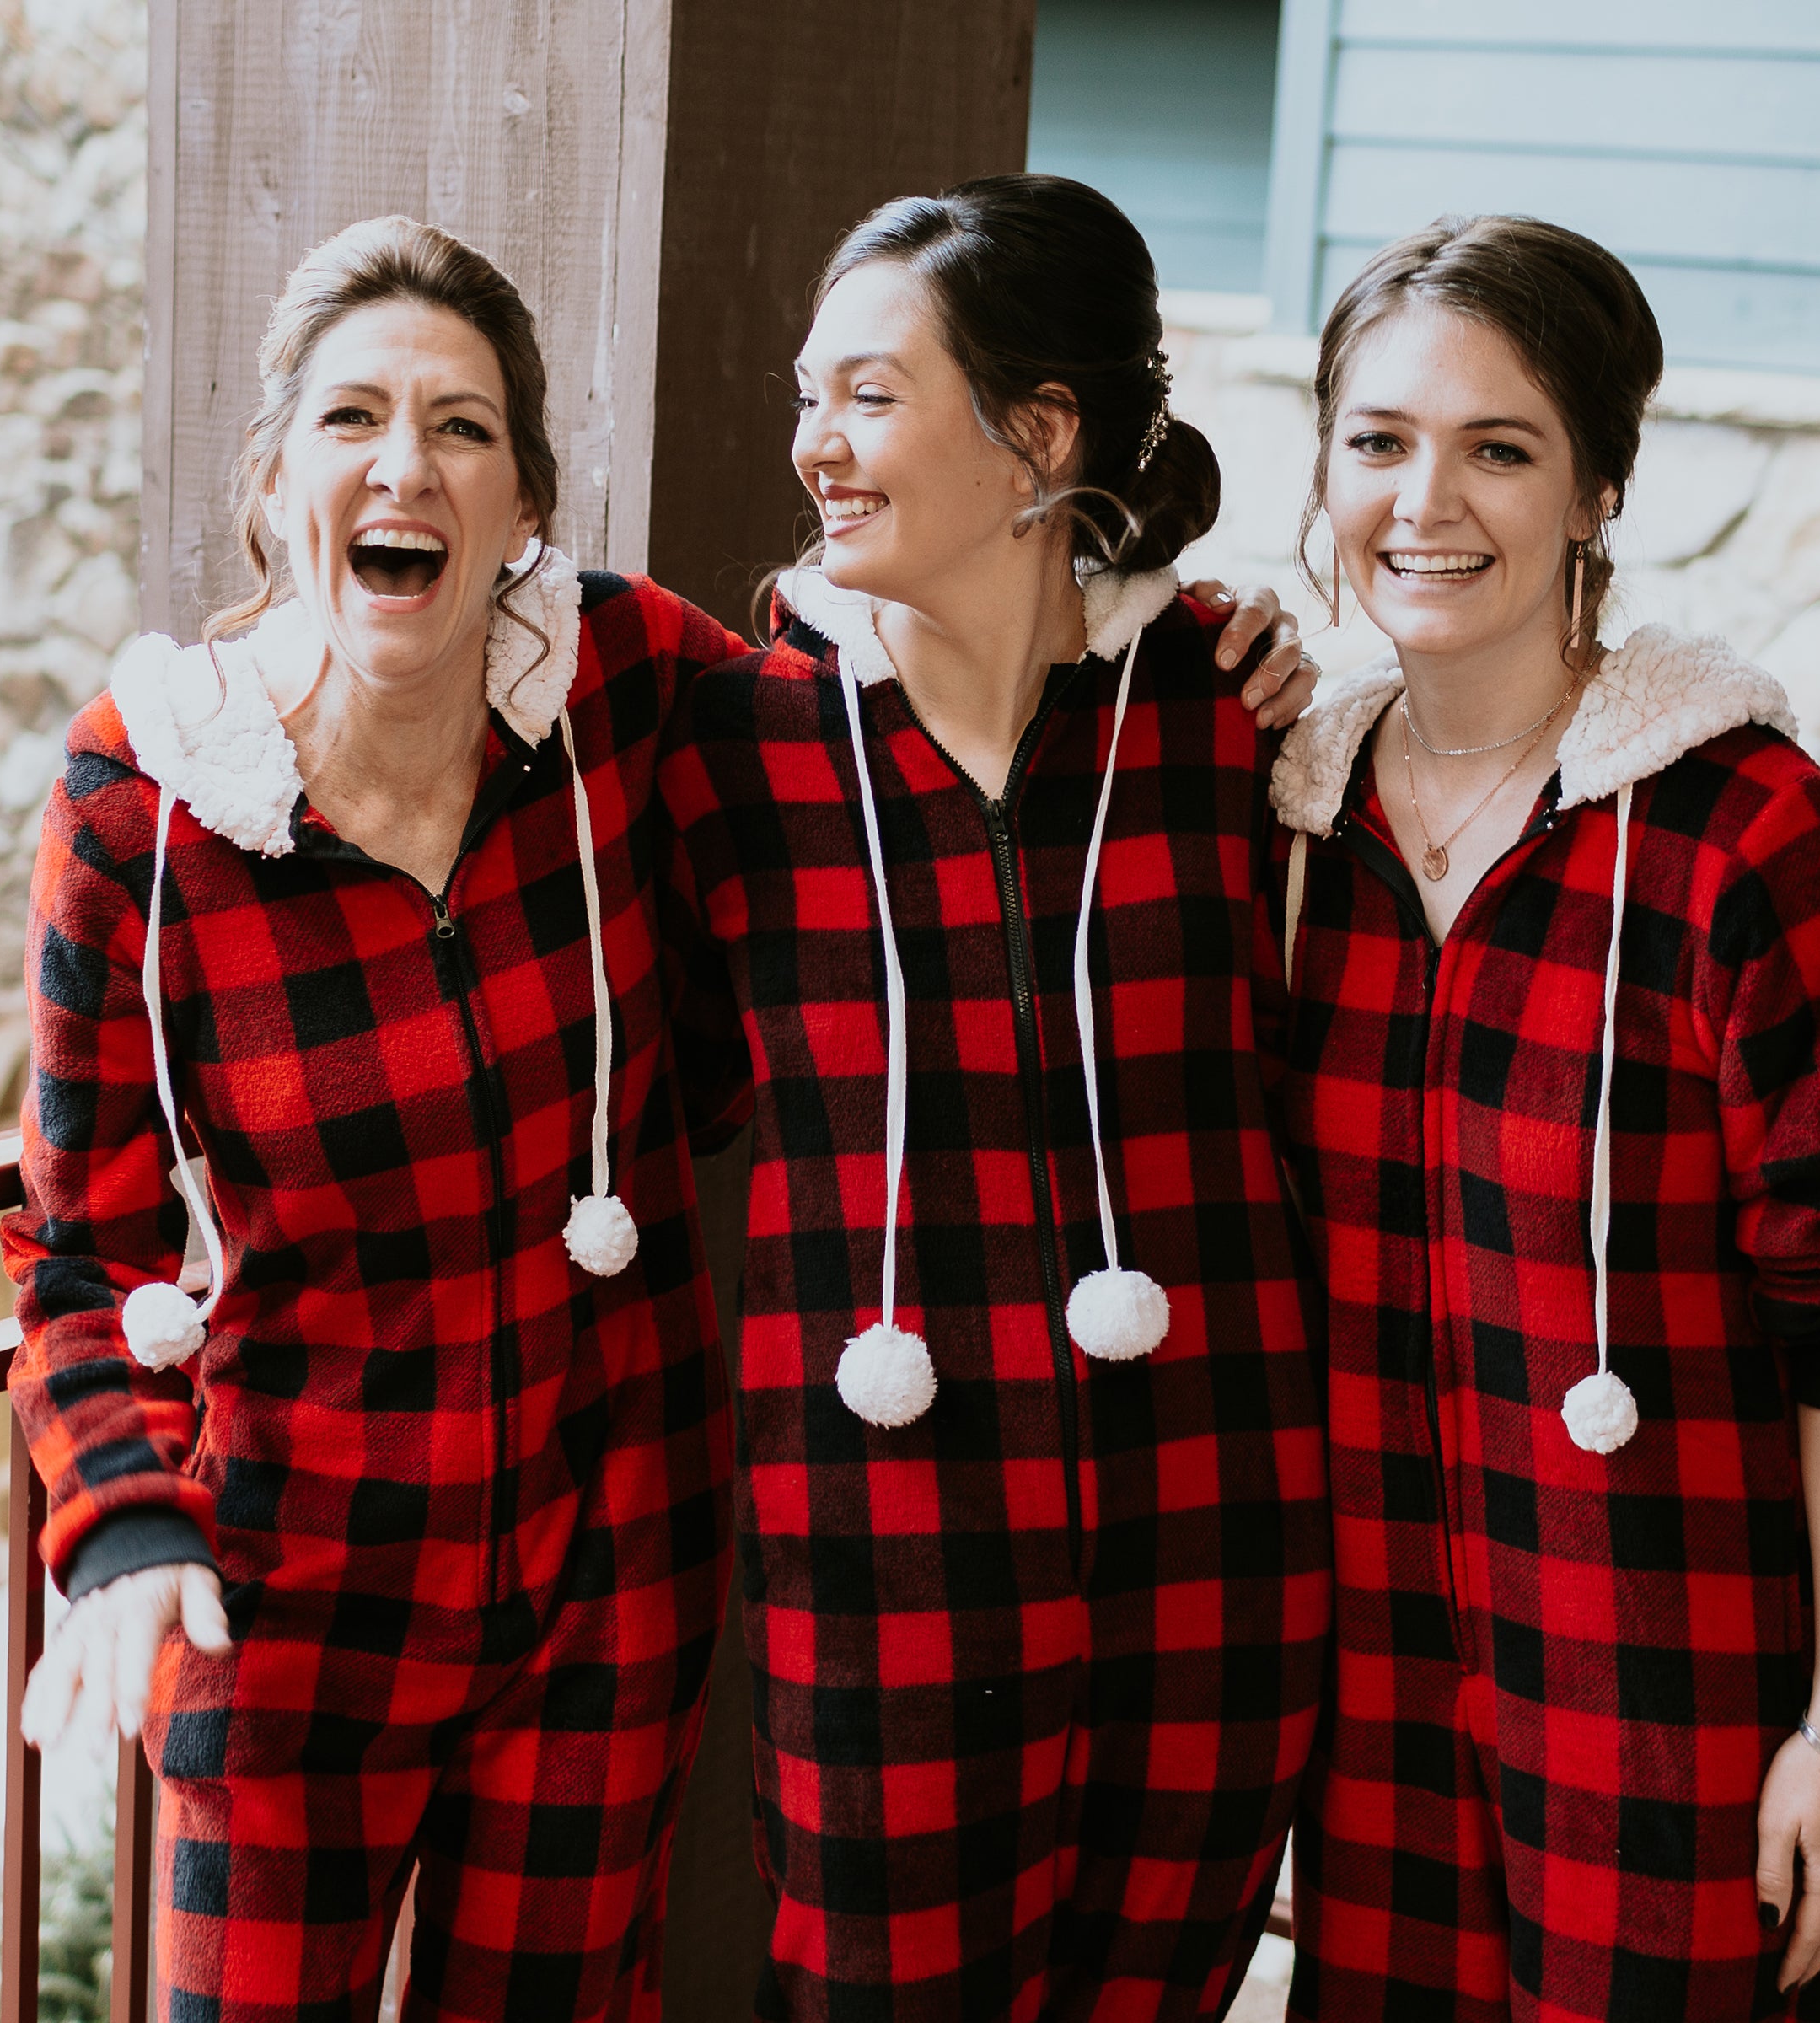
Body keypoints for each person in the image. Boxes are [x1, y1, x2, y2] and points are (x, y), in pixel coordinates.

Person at [2, 216, 747, 2020]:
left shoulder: (627, 692)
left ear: (521, 512)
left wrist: (1181, 633)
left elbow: (894, 731)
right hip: (281, 1589)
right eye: (352, 420)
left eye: (462, 428)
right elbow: (73, 1242)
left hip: (603, 1575)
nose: (405, 465)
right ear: (274, 488)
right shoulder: (140, 805)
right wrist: (124, 1520)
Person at [1263, 216, 1820, 2020]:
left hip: (1673, 1700)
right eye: (1379, 441)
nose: (1427, 500)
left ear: (1595, 493)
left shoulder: (1747, 834)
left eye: (1500, 449)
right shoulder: (1280, 832)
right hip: (1372, 1710)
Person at [658, 174, 1329, 2022]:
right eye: (812, 394)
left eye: (869, 395)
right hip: (889, 1588)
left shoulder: (1228, 716)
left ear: (1040, 435)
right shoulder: (731, 752)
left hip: (1217, 1554)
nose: (815, 444)